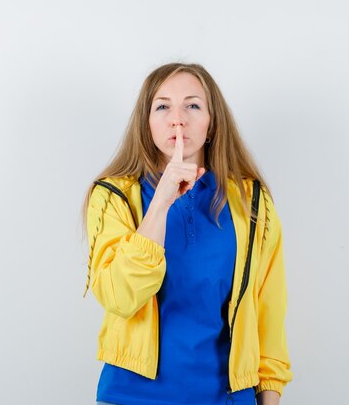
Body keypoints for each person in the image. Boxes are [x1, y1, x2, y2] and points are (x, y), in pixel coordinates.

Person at [81, 62, 293, 405]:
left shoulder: (253, 202)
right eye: (162, 106)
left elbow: (270, 311)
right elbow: (121, 295)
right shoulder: (113, 196)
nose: (177, 118)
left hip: (227, 398)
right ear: (147, 124)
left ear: (211, 124)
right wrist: (161, 200)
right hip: (132, 397)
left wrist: (268, 398)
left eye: (192, 105)